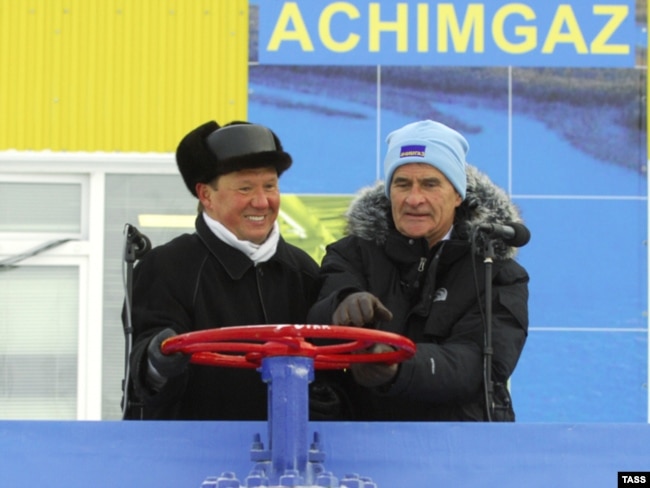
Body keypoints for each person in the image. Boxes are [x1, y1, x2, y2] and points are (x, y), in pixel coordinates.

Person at [307, 119, 529, 421]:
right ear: (389, 193)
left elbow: (478, 365)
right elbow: (315, 330)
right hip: (362, 446)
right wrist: (341, 304)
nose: (414, 199)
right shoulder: (352, 254)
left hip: (458, 449)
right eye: (402, 184)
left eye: (430, 184)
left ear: (458, 195)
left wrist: (398, 365)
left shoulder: (495, 271)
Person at [123, 120, 320, 420]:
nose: (261, 201)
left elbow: (329, 371)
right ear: (206, 196)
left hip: (291, 459)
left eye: (270, 186)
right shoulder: (166, 268)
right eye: (245, 188)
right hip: (195, 458)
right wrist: (156, 359)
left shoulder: (304, 271)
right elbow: (145, 376)